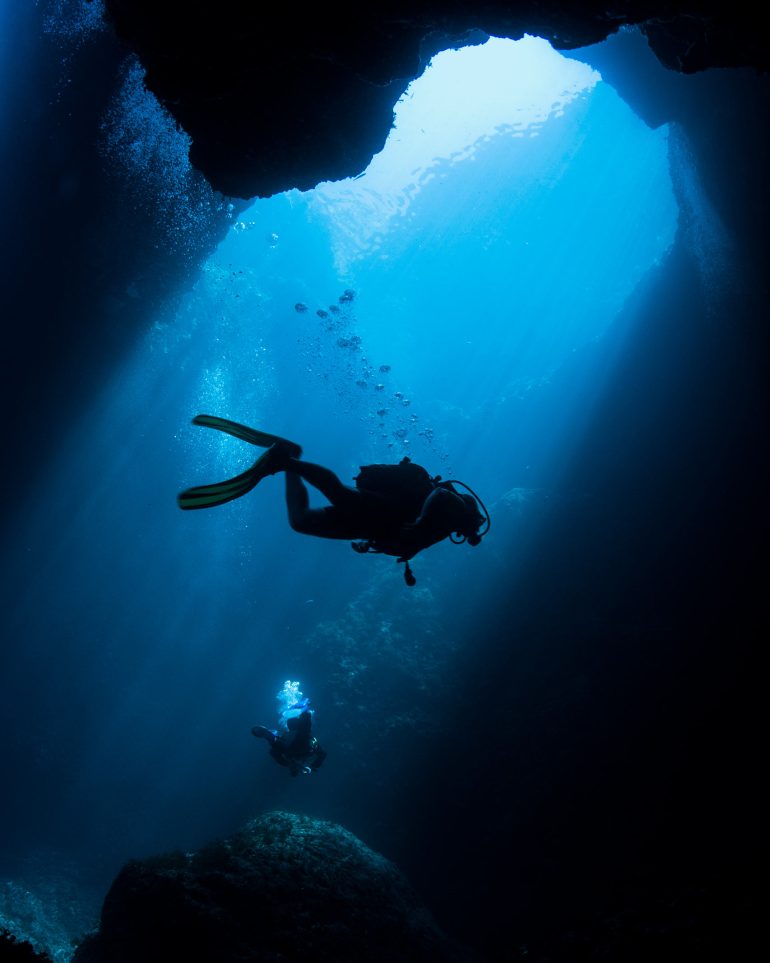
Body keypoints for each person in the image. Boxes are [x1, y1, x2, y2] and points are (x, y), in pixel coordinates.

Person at [177, 414, 490, 585]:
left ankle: (288, 456)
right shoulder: (459, 511)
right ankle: (286, 462)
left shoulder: (445, 528)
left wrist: (374, 547)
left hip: (374, 528)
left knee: (300, 522)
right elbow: (439, 495)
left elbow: (410, 537)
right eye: (471, 531)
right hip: (386, 509)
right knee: (341, 495)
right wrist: (421, 524)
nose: (467, 535)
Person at [252, 702, 327, 776]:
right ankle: (303, 711)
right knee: (296, 728)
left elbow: (281, 759)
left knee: (279, 743)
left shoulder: (298, 735)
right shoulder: (302, 734)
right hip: (297, 747)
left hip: (296, 748)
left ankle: (303, 711)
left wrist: (297, 766)